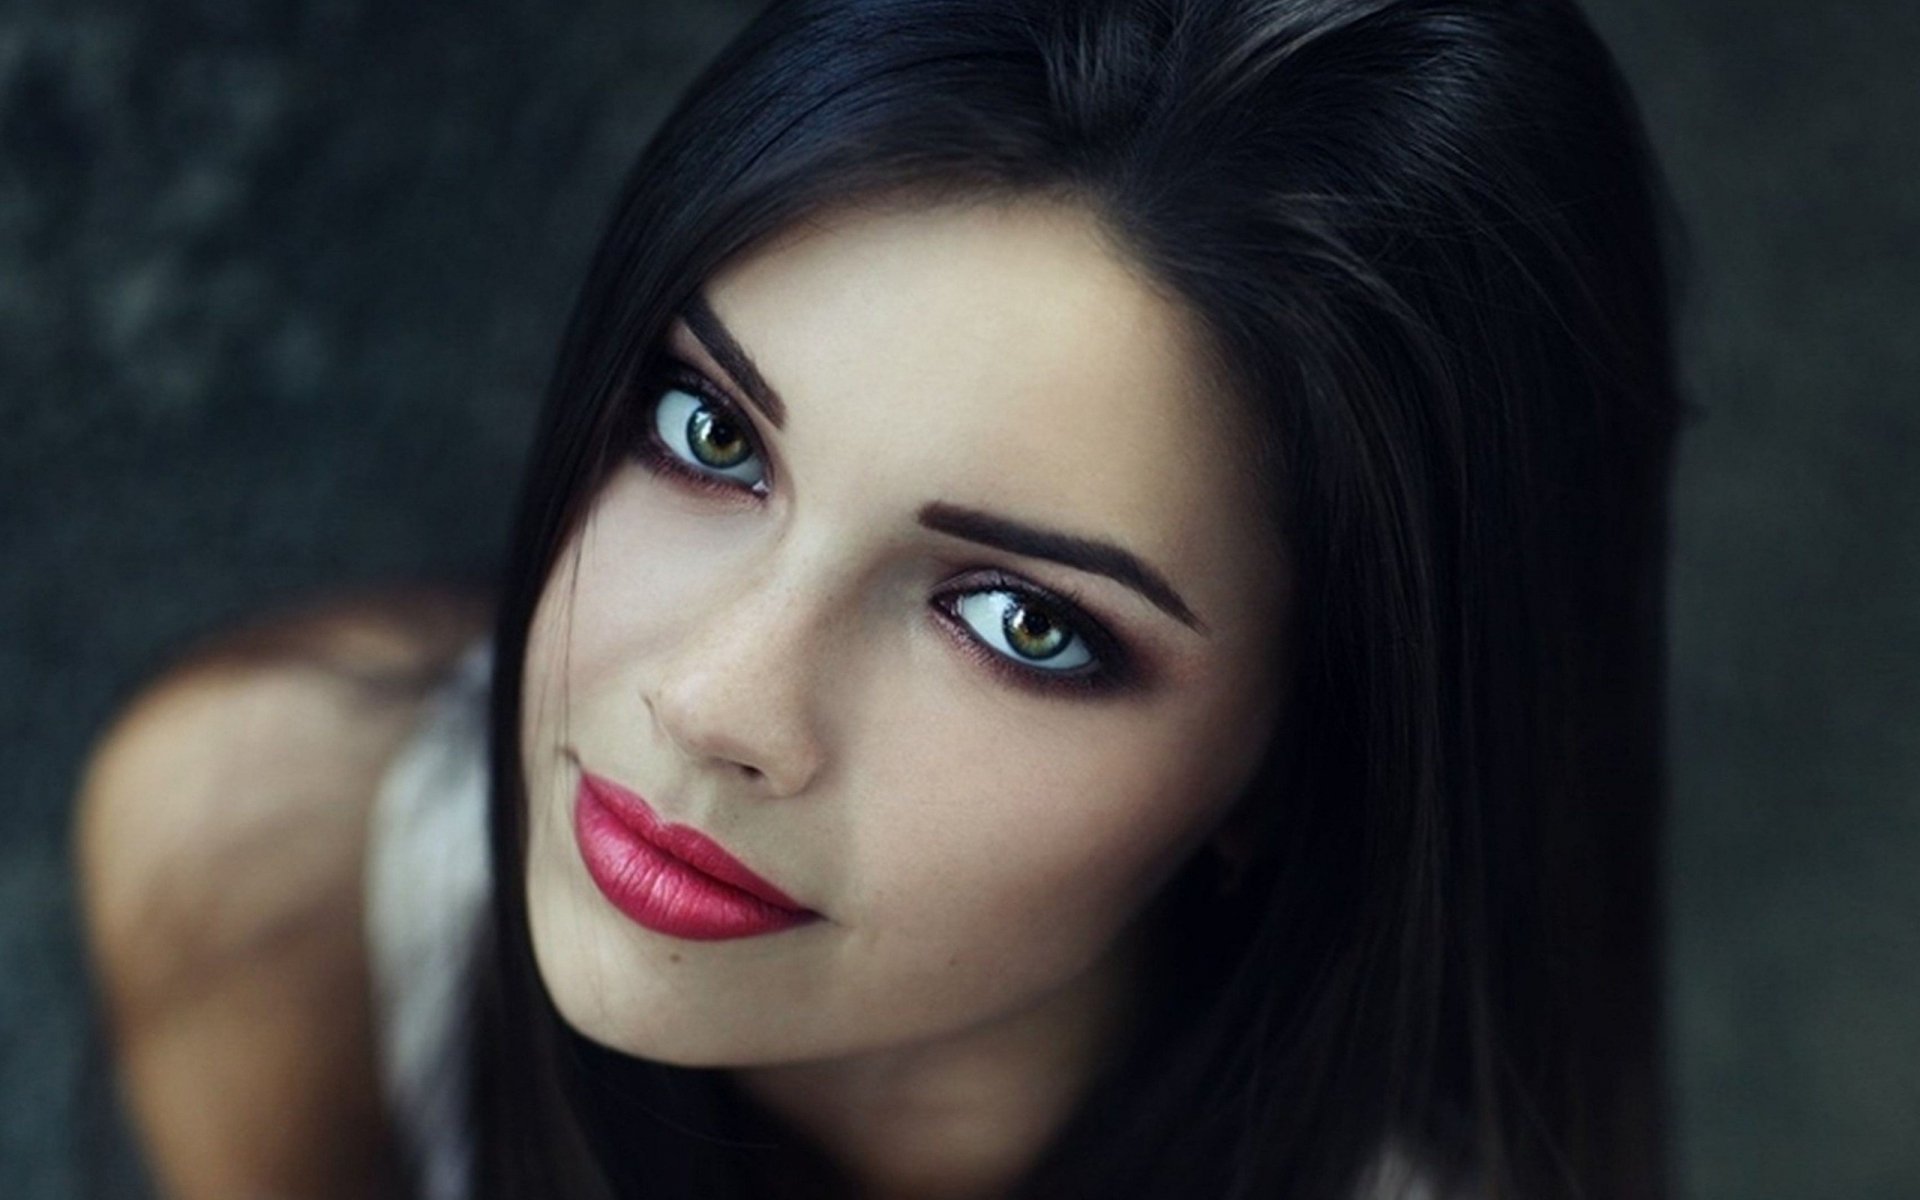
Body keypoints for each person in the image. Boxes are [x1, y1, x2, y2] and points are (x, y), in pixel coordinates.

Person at [74, 0, 1683, 1197]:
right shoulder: (277, 853)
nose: (715, 702)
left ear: (1306, 753)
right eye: (709, 435)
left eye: (1023, 623)